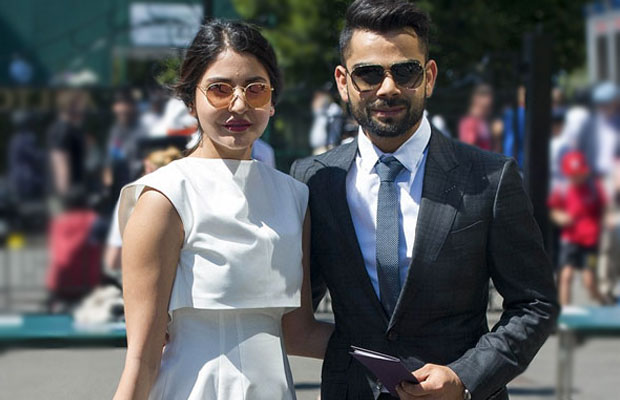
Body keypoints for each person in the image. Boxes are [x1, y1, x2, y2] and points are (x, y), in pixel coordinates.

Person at [290, 1, 559, 399]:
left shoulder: (490, 177)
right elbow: (293, 307)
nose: (388, 88)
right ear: (343, 82)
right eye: (368, 74)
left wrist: (464, 377)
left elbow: (535, 304)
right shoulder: (314, 181)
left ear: (429, 77)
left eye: (405, 71)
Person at [113, 20, 333, 400]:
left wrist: (405, 353)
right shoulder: (164, 198)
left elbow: (300, 334)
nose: (239, 104)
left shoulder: (295, 197)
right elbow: (142, 358)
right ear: (190, 101)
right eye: (219, 89)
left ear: (272, 101)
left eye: (256, 89)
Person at [548, 151, 607, 305]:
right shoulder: (562, 189)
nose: (578, 177)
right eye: (574, 175)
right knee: (566, 276)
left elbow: (604, 209)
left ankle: (603, 301)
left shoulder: (593, 188)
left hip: (590, 240)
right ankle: (564, 312)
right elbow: (553, 211)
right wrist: (560, 217)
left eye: (580, 174)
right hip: (570, 239)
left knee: (589, 281)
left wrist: (605, 224)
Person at [458, 83, 493, 151]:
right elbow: (468, 149)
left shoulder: (484, 121)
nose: (490, 101)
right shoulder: (470, 122)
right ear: (477, 99)